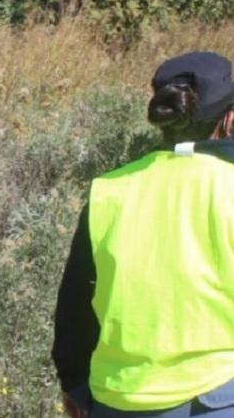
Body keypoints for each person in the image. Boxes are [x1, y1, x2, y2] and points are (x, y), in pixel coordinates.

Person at [52, 51, 234, 418]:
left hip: (117, 397)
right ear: (229, 119)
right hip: (215, 395)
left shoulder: (109, 189)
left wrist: (74, 384)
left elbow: (75, 305)